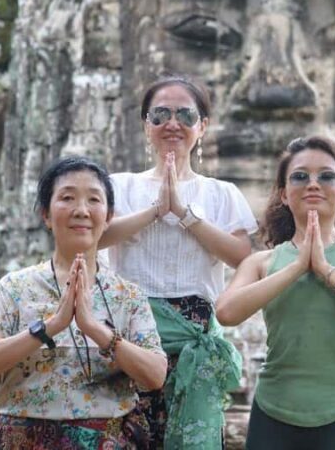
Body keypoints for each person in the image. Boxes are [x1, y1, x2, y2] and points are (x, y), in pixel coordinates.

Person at [98, 74, 257, 449]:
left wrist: (186, 215)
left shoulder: (221, 194)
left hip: (194, 334)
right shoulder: (119, 186)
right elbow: (95, 237)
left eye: (185, 115)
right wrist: (154, 211)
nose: (173, 123)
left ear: (202, 126)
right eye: (161, 114)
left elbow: (241, 256)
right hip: (129, 333)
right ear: (146, 125)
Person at [216, 135, 335, 450]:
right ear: (284, 195)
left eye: (326, 176)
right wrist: (296, 267)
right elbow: (226, 312)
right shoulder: (262, 262)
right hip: (274, 410)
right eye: (300, 176)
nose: (313, 184)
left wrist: (328, 272)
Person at [0, 156, 168, 449]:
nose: (81, 210)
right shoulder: (14, 287)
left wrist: (95, 329)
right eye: (67, 198)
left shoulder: (127, 295)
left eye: (93, 200)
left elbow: (154, 375)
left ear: (109, 216)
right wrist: (49, 327)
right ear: (46, 215)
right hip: (22, 440)